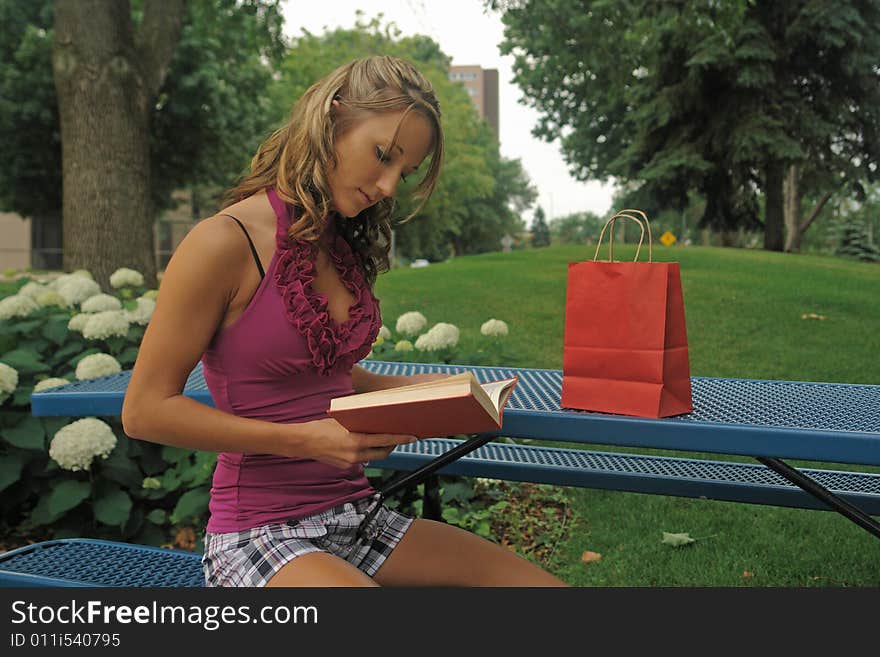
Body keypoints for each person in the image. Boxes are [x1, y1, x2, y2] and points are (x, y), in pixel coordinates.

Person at [122, 55, 566, 587]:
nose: (388, 186)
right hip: (260, 537)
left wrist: (448, 393)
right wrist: (307, 441)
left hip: (358, 520)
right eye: (382, 156)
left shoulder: (338, 245)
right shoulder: (223, 242)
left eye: (403, 172)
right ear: (331, 120)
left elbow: (327, 379)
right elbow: (145, 411)